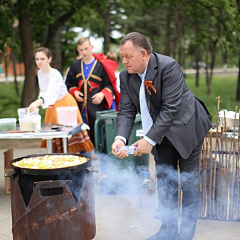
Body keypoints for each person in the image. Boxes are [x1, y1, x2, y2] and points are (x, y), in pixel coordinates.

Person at [111, 32, 212, 240]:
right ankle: (167, 231)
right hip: (159, 132)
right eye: (122, 56)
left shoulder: (168, 66)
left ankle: (186, 234)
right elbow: (126, 111)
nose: (124, 61)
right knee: (166, 181)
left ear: (144, 54)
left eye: (128, 56)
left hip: (187, 127)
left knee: (188, 181)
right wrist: (120, 138)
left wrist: (148, 140)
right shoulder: (125, 76)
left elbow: (171, 108)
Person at [28, 47, 94, 154]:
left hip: (65, 106)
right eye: (37, 59)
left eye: (42, 59)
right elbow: (44, 91)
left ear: (49, 59)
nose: (39, 62)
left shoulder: (55, 74)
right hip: (52, 106)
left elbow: (51, 92)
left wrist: (37, 103)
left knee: (72, 136)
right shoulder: (40, 73)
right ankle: (59, 166)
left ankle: (84, 166)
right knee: (55, 138)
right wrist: (43, 102)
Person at [65, 37, 120, 145]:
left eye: (86, 49)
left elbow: (110, 85)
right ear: (78, 49)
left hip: (97, 109)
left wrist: (102, 94)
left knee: (99, 140)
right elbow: (69, 83)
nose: (84, 52)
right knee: (81, 143)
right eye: (81, 50)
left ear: (91, 47)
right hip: (79, 111)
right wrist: (75, 92)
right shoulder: (75, 65)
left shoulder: (101, 65)